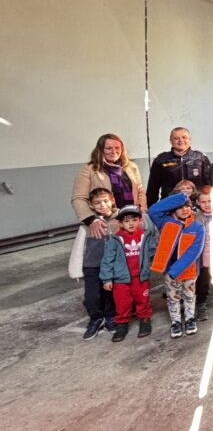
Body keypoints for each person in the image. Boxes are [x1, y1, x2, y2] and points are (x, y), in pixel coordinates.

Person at [148, 191, 206, 339]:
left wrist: (176, 269)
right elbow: (153, 210)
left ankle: (189, 319)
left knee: (189, 295)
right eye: (180, 207)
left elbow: (194, 252)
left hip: (188, 270)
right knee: (172, 297)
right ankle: (176, 322)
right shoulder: (165, 221)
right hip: (169, 271)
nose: (184, 209)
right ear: (173, 208)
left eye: (187, 205)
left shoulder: (197, 226)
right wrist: (181, 197)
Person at [100, 205, 157, 342]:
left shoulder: (146, 236)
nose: (131, 223)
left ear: (140, 221)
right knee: (122, 303)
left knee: (142, 300)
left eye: (134, 220)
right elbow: (107, 259)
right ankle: (122, 324)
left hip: (140, 277)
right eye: (126, 220)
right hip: (121, 279)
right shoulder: (115, 240)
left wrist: (153, 265)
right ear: (120, 223)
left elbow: (153, 252)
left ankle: (144, 320)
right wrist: (106, 278)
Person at [72, 134, 144, 240]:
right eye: (109, 148)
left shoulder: (131, 167)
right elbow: (78, 198)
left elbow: (140, 191)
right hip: (107, 222)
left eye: (117, 148)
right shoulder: (89, 169)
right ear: (101, 150)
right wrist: (92, 219)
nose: (113, 151)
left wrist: (142, 210)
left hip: (131, 219)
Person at [69, 187, 120, 339]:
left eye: (105, 201)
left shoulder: (121, 220)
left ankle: (111, 317)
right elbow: (79, 247)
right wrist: (75, 270)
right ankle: (96, 318)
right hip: (92, 266)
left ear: (112, 201)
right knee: (92, 296)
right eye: (97, 203)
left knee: (110, 294)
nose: (102, 205)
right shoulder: (88, 224)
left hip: (113, 267)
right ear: (91, 205)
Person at [146, 127, 212, 205]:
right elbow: (153, 188)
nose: (181, 140)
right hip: (170, 206)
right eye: (176, 138)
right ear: (171, 141)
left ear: (190, 140)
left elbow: (209, 184)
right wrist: (150, 207)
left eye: (184, 137)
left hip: (196, 205)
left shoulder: (200, 158)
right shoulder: (161, 160)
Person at [194, 186, 213, 322]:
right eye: (204, 202)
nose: (207, 205)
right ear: (198, 203)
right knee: (203, 280)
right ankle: (201, 304)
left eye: (210, 201)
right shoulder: (195, 218)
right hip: (202, 255)